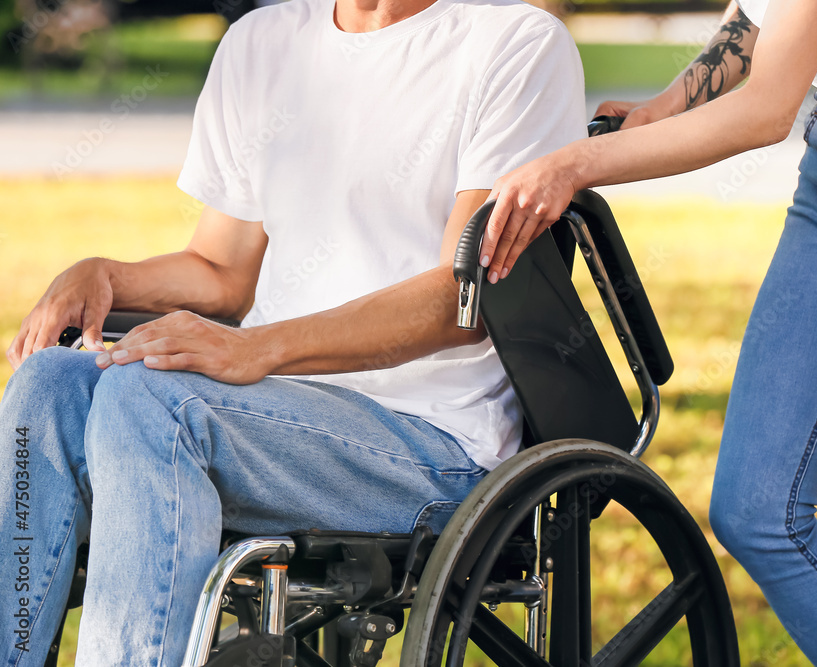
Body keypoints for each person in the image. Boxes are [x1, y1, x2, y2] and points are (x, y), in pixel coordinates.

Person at [0, 0, 585, 662]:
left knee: (152, 400)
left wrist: (257, 348)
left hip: (431, 442)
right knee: (49, 384)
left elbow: (463, 301)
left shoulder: (515, 44)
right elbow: (222, 269)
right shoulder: (262, 43)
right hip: (268, 416)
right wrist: (104, 274)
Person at [478, 0, 817, 665]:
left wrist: (577, 164)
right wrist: (667, 104)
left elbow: (764, 111)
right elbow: (758, 17)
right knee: (755, 509)